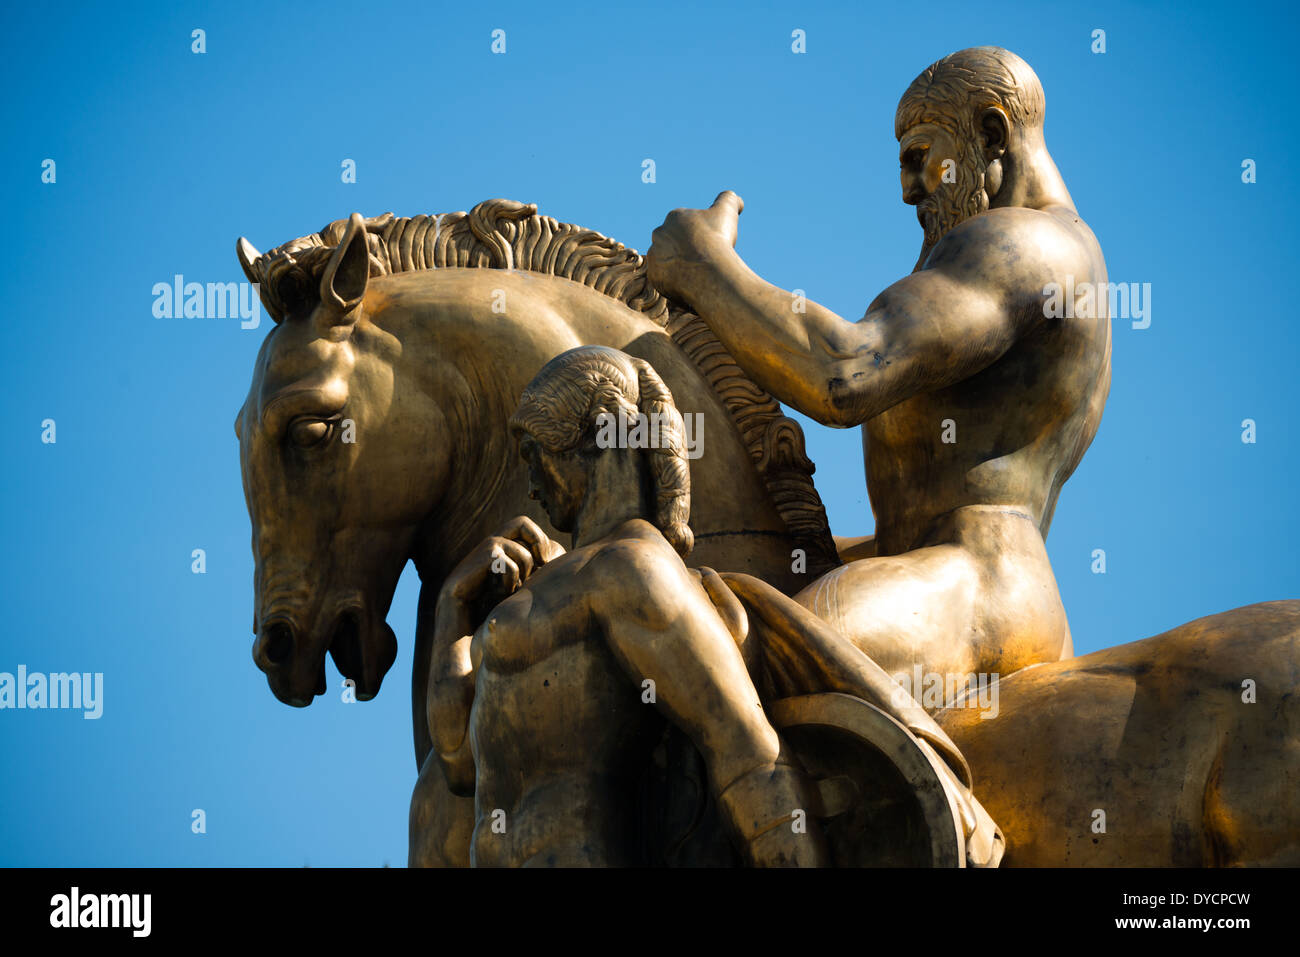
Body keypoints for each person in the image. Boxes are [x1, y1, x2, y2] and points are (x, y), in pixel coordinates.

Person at [646, 46, 1110, 685]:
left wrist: (705, 266)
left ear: (992, 134)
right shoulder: (1057, 251)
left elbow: (847, 372)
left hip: (972, 586)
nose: (907, 190)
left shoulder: (1026, 243)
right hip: (946, 575)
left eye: (919, 157)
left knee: (726, 670)